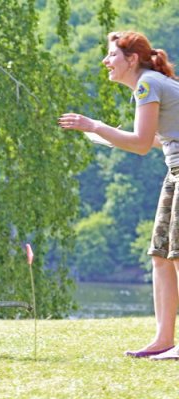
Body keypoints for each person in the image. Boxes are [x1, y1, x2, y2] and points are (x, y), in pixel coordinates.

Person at [59, 30, 179, 360]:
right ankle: (163, 339)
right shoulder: (151, 85)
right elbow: (155, 142)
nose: (105, 61)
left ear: (132, 59)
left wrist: (95, 125)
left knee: (178, 256)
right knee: (161, 256)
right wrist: (103, 136)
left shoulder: (147, 84)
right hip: (175, 171)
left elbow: (141, 144)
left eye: (112, 55)